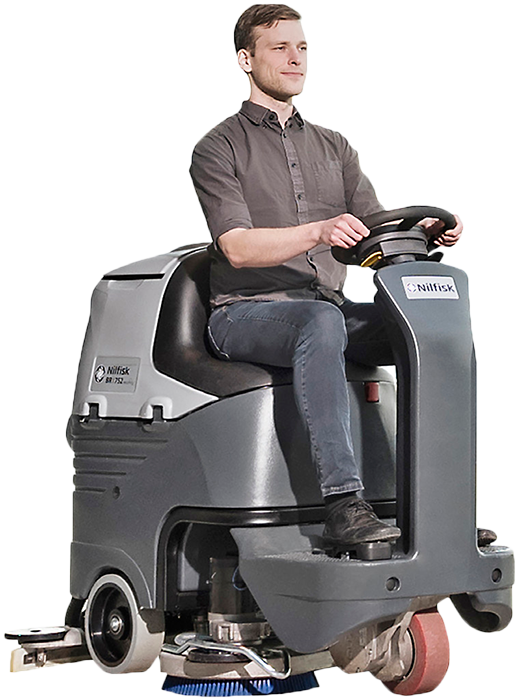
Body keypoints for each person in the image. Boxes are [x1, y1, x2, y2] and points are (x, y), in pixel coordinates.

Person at [189, 3, 464, 552]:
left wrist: (424, 234)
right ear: (245, 60)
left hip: (325, 310)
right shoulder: (218, 147)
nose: (295, 58)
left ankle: (437, 507)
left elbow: (371, 234)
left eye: (302, 47)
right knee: (320, 320)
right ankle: (342, 505)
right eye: (279, 47)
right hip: (244, 313)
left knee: (428, 331)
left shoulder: (334, 147)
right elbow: (236, 247)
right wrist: (316, 231)